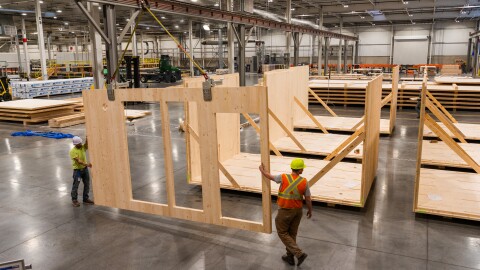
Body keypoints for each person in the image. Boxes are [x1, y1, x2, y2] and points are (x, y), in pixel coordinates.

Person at [259, 158, 313, 266]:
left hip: (285, 211)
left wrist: (262, 171)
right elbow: (308, 198)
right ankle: (289, 257)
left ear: (292, 168)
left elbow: (270, 177)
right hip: (298, 211)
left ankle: (299, 254)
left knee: (282, 232)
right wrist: (310, 210)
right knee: (292, 234)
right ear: (300, 170)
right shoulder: (304, 181)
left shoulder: (283, 177)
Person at [69, 136, 94, 207]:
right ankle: (74, 200)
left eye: (81, 142)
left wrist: (87, 137)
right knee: (76, 185)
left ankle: (85, 199)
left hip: (85, 169)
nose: (81, 144)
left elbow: (87, 144)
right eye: (79, 143)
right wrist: (87, 164)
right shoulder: (72, 151)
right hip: (78, 171)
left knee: (87, 184)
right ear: (75, 144)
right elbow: (79, 161)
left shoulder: (82, 147)